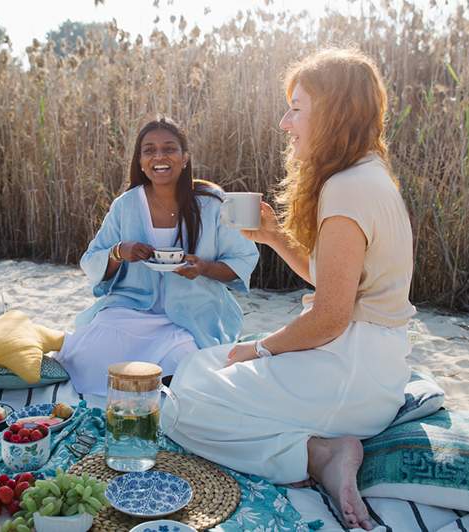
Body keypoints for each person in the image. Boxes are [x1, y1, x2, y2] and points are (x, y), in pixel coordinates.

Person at [161, 49, 416, 530]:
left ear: (334, 113)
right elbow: (335, 283)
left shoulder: (348, 188)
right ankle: (315, 446)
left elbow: (330, 316)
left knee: (181, 408)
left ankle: (317, 455)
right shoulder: (367, 176)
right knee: (197, 365)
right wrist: (275, 238)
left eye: (297, 108)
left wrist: (261, 348)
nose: (285, 122)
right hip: (367, 365)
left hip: (351, 370)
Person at [54, 117, 259, 396]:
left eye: (169, 149)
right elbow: (90, 260)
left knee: (184, 363)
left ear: (185, 158)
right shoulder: (125, 205)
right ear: (140, 161)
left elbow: (244, 258)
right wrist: (119, 252)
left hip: (192, 314)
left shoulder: (214, 202)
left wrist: (204, 267)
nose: (159, 157)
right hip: (131, 310)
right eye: (149, 150)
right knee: (87, 355)